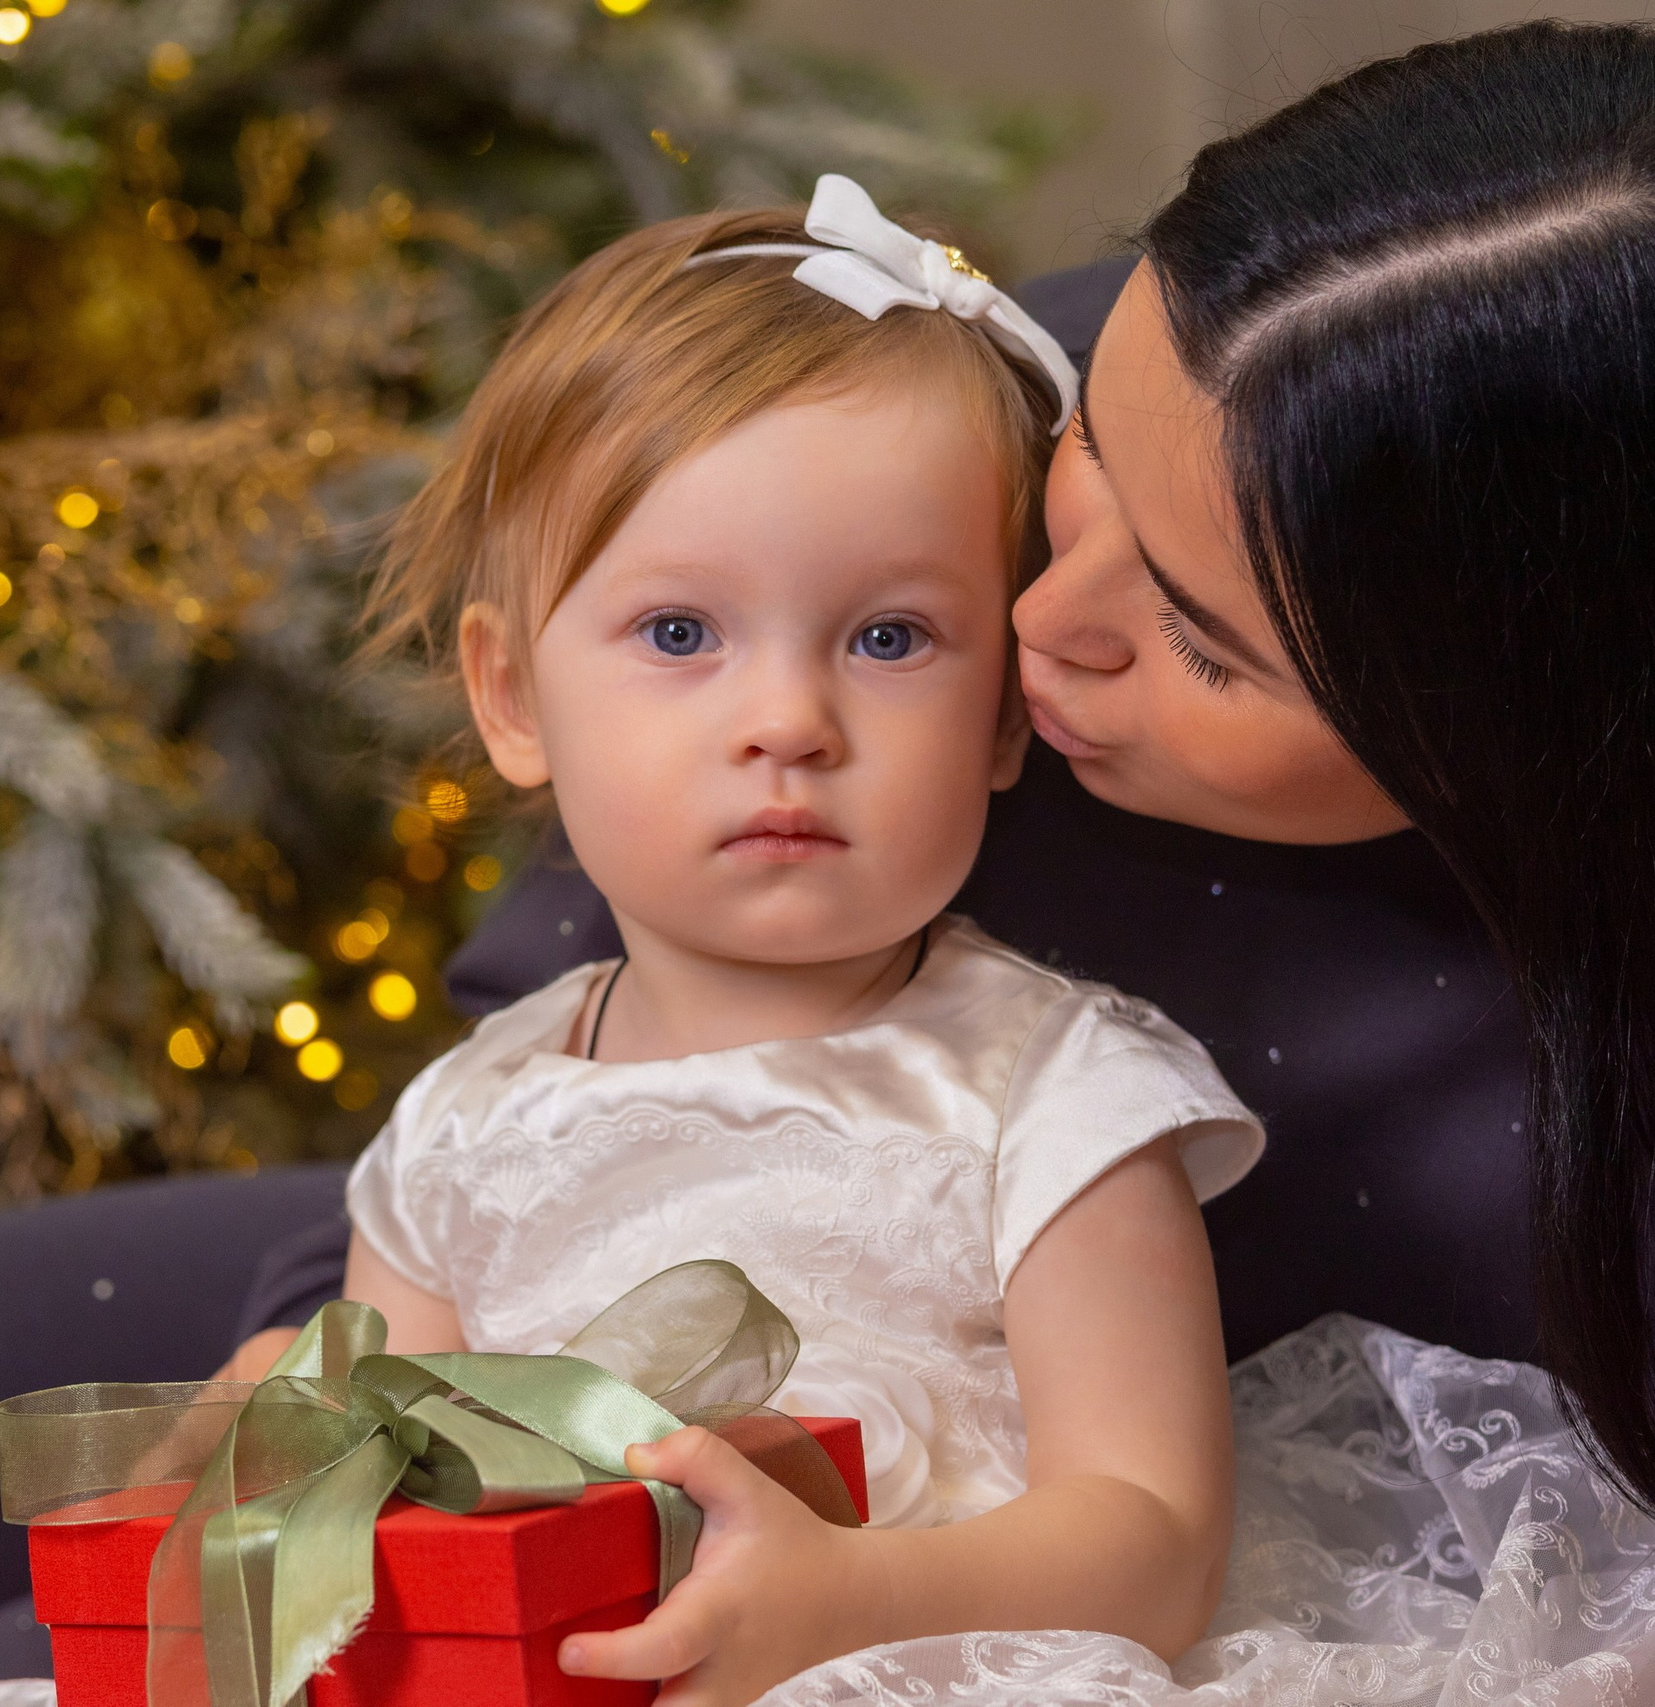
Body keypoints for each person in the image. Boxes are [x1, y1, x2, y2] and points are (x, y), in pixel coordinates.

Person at [325, 22, 1655, 1705]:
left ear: (1522, 741)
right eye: (1085, 466)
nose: (1031, 622)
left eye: (1207, 643)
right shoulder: (1127, 377)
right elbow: (514, 1091)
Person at [293, 175, 1265, 1703]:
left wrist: (850, 1600)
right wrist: (273, 1442)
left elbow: (1155, 1541)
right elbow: (369, 1489)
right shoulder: (463, 1128)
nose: (789, 724)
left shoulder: (1051, 1096)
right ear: (513, 699)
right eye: (680, 634)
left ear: (1006, 711)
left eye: (890, 639)